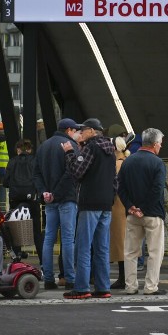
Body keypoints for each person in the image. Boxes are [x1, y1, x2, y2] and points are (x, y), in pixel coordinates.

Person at [62, 118, 117, 300]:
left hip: (90, 203)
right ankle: (103, 287)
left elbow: (77, 171)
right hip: (106, 204)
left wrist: (70, 153)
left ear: (92, 131)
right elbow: (115, 180)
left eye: (83, 130)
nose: (81, 133)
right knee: (102, 248)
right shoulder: (111, 150)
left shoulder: (91, 148)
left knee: (83, 247)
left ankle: (82, 287)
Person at [118, 128, 167, 295]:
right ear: (154, 145)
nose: (160, 146)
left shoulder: (128, 161)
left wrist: (130, 206)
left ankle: (130, 286)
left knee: (130, 252)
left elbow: (120, 187)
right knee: (155, 252)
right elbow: (157, 189)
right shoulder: (157, 163)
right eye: (160, 144)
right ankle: (151, 287)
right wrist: (144, 209)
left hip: (132, 215)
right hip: (153, 214)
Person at [33, 118, 81, 290]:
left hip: (49, 200)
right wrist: (56, 193)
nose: (77, 133)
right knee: (68, 239)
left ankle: (48, 279)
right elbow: (71, 173)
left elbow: (36, 173)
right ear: (68, 130)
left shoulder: (43, 146)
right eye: (75, 130)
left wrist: (45, 191)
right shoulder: (70, 146)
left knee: (49, 239)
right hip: (66, 198)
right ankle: (69, 277)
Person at [2, 138, 43, 262]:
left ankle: (17, 261)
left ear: (18, 150)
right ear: (30, 149)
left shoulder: (12, 161)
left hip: (15, 200)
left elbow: (5, 182)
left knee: (16, 230)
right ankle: (43, 262)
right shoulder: (35, 160)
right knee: (36, 232)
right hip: (32, 200)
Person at [110, 133, 130, 289]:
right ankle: (125, 277)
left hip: (117, 206)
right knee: (125, 242)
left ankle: (123, 278)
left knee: (119, 243)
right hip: (127, 206)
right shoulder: (128, 162)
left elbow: (114, 187)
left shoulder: (117, 164)